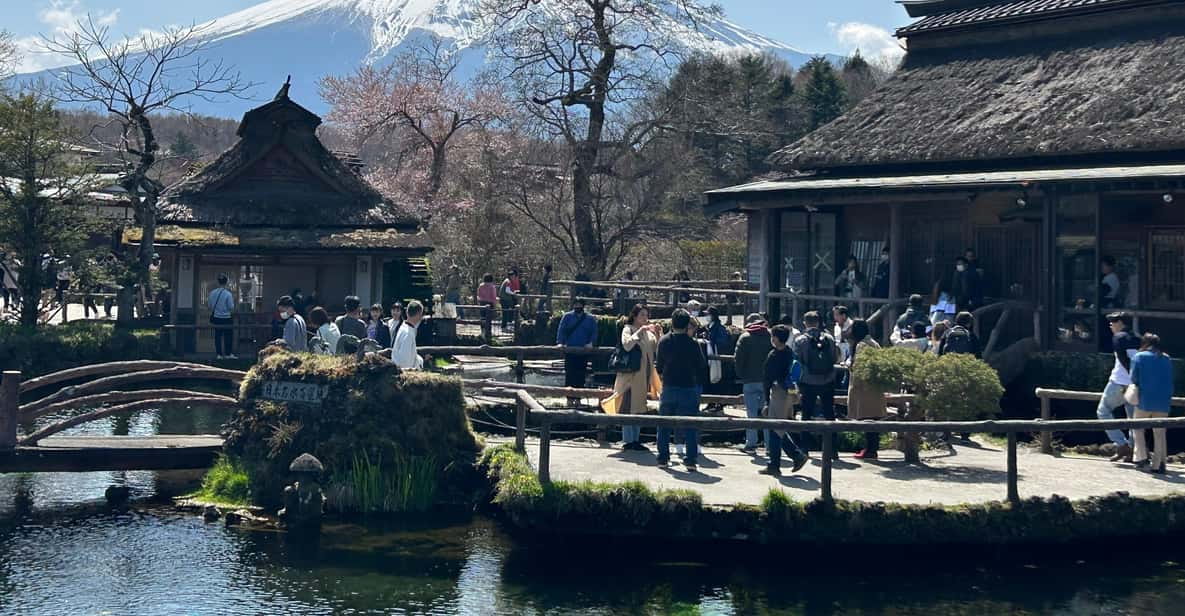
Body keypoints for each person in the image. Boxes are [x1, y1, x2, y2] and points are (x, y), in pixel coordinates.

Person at [655, 309, 708, 472]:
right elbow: (701, 367)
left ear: (672, 322)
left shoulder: (664, 341)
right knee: (690, 424)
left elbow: (660, 366)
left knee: (664, 423)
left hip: (669, 386)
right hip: (688, 388)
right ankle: (690, 460)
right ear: (687, 325)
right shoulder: (693, 344)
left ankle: (663, 457)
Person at [759, 325, 811, 476]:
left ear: (775, 338)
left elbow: (767, 380)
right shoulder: (790, 353)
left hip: (778, 394)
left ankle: (789, 459)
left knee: (775, 428)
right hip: (789, 393)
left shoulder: (773, 356)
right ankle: (784, 460)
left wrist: (766, 403)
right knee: (779, 427)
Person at [611, 304, 661, 451]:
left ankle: (636, 439)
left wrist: (658, 333)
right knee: (628, 407)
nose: (645, 318)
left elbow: (655, 348)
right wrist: (640, 331)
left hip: (643, 377)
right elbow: (627, 345)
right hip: (630, 377)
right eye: (642, 315)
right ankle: (628, 440)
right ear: (634, 316)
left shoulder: (647, 333)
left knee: (639, 407)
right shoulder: (628, 329)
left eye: (646, 315)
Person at [794, 311, 842, 457]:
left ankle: (805, 449)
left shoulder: (800, 340)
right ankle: (832, 450)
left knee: (806, 414)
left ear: (805, 323)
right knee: (829, 413)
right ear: (818, 322)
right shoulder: (829, 338)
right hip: (827, 380)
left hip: (808, 381)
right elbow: (835, 358)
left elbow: (797, 361)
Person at [1096, 312, 1139, 462]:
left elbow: (1124, 361)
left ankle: (1122, 444)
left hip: (1119, 382)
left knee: (1103, 411)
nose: (1111, 324)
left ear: (1121, 323)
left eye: (1114, 321)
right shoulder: (1137, 338)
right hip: (1135, 385)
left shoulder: (1118, 338)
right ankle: (1134, 449)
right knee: (1133, 420)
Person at [1129, 333, 1174, 474]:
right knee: (1160, 432)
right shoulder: (1166, 358)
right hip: (1163, 400)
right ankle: (1159, 463)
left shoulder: (1139, 357)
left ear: (1145, 343)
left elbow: (1133, 378)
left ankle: (1141, 458)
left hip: (1144, 399)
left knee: (1138, 428)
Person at [846, 319, 887, 460]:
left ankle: (870, 450)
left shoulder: (861, 345)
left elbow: (859, 369)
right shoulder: (874, 343)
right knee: (873, 420)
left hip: (864, 390)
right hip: (874, 389)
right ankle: (871, 449)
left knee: (868, 420)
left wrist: (855, 386)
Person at [734, 313, 772, 453]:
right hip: (767, 382)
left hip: (749, 380)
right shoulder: (770, 336)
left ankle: (751, 444)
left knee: (751, 413)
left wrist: (742, 375)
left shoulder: (744, 337)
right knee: (767, 413)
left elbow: (738, 360)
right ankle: (769, 446)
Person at [557, 298, 598, 404]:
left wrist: (591, 343)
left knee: (580, 375)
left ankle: (578, 398)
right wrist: (560, 343)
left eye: (579, 305)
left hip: (583, 352)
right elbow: (561, 330)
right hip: (570, 350)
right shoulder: (567, 317)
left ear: (583, 306)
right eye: (575, 304)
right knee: (570, 374)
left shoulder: (590, 319)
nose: (577, 307)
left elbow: (594, 332)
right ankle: (569, 398)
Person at [208, 273, 236, 360]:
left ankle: (219, 354)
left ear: (218, 282)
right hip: (227, 318)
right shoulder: (228, 294)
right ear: (226, 282)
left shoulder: (212, 293)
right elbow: (231, 307)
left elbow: (210, 306)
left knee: (218, 336)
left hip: (216, 317)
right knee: (228, 336)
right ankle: (228, 354)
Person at [392, 300, 426, 370]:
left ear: (407, 312)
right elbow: (405, 363)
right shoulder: (408, 334)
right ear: (419, 314)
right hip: (403, 375)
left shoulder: (404, 327)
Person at [477, 273, 498, 339]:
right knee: (488, 319)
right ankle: (488, 333)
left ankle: (482, 332)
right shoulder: (492, 286)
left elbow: (479, 295)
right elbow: (494, 297)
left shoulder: (481, 286)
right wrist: (495, 307)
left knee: (482, 318)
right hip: (490, 303)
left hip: (482, 303)